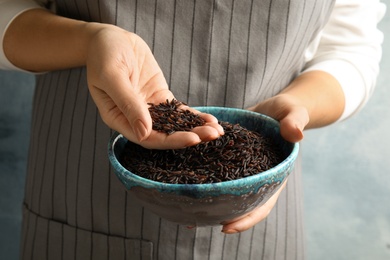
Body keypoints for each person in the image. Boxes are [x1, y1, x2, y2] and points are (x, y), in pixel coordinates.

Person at [0, 0, 386, 259]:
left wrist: (298, 108)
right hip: (84, 188)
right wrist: (91, 41)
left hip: (262, 199)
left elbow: (350, 48)